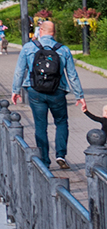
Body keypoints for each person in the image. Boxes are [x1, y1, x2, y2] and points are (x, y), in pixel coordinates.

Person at [12, 20, 87, 169]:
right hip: (57, 91)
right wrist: (79, 96)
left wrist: (15, 90)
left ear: (40, 30)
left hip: (35, 91)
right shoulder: (63, 50)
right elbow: (72, 75)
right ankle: (60, 155)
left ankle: (45, 160)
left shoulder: (28, 47)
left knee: (40, 125)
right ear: (54, 32)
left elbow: (19, 71)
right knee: (61, 122)